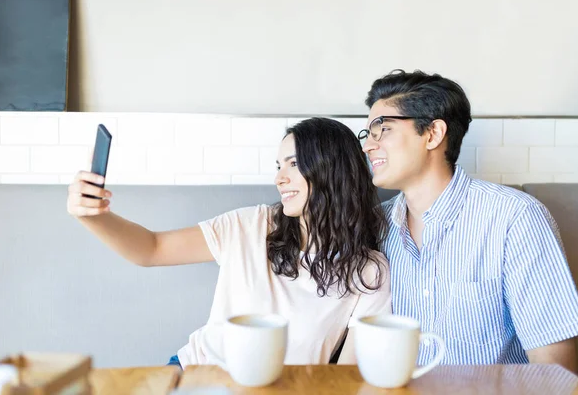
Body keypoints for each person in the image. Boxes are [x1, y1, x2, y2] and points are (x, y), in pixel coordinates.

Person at [66, 117, 392, 367]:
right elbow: (151, 249)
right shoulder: (250, 225)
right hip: (198, 375)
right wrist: (93, 216)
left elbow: (344, 378)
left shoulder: (369, 272)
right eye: (279, 166)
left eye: (293, 164)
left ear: (332, 168)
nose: (279, 178)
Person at [359, 69, 578, 372]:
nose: (368, 146)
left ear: (432, 134)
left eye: (382, 129)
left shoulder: (515, 218)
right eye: (367, 134)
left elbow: (554, 370)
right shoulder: (375, 225)